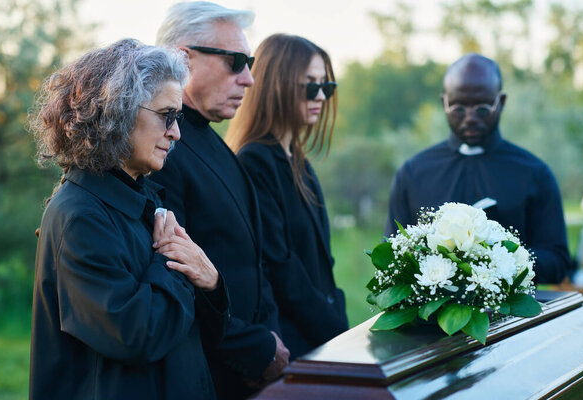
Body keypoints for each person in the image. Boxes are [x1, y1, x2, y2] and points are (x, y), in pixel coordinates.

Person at [28, 39, 228, 399]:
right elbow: (137, 335)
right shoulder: (80, 216)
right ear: (116, 111)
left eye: (178, 117)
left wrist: (210, 281)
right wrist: (172, 262)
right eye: (166, 115)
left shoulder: (142, 197)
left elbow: (192, 332)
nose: (176, 132)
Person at [151, 2, 289, 398]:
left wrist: (269, 343)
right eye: (236, 61)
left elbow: (253, 263)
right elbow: (173, 278)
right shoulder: (160, 149)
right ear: (182, 58)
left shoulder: (215, 142)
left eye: (251, 63)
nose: (248, 79)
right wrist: (255, 350)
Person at [384, 53, 571, 284]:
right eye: (458, 108)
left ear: (500, 102)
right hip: (429, 320)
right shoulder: (413, 174)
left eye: (482, 108)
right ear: (444, 102)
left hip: (515, 319)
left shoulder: (534, 173)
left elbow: (558, 262)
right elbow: (392, 257)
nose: (470, 118)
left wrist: (497, 257)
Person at [225, 34, 348, 360]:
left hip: (320, 336)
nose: (321, 96)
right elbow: (280, 268)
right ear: (276, 85)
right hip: (294, 344)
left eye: (326, 86)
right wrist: (337, 332)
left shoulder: (297, 159)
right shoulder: (256, 160)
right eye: (310, 85)